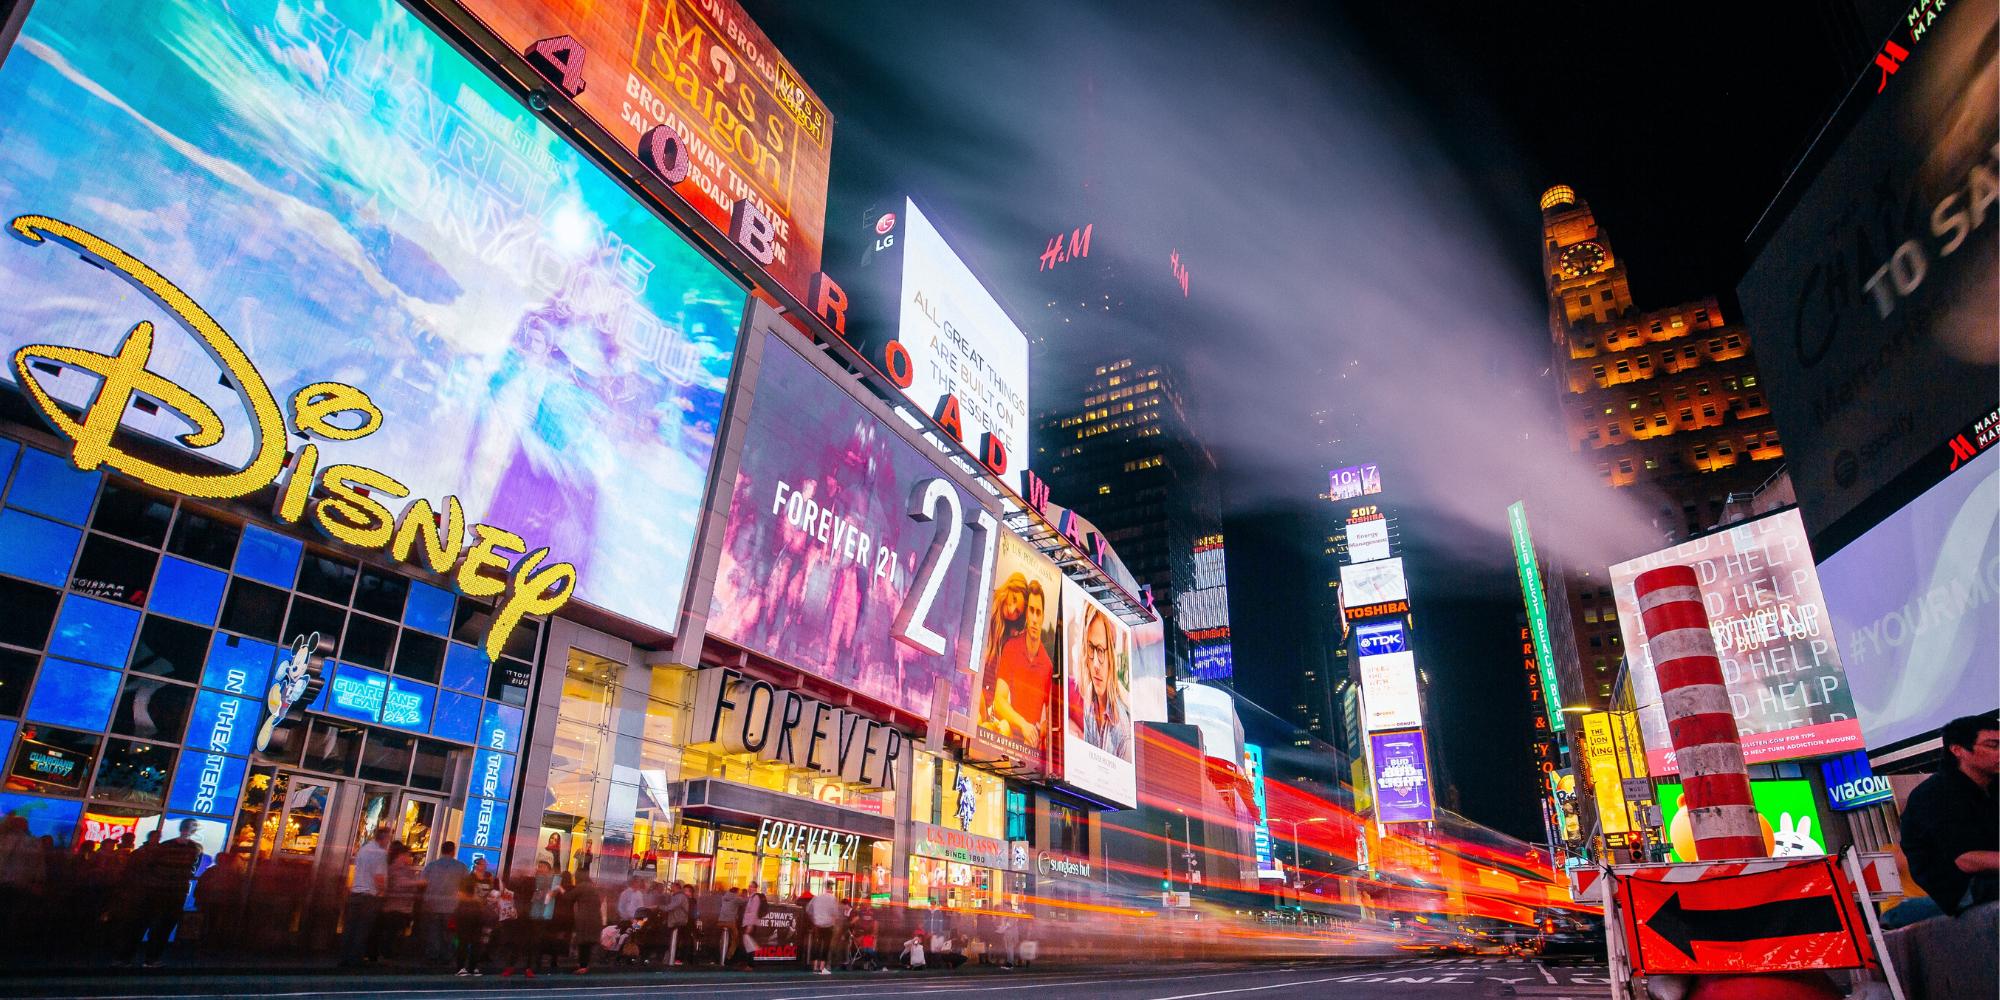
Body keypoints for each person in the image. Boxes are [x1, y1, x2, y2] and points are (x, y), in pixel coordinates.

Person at [1900, 711, 1999, 916]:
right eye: (1992, 745)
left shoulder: (1992, 785)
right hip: (1963, 889)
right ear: (1958, 750)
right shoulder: (1935, 794)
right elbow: (1966, 859)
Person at [127, 818, 203, 967]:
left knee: (146, 923)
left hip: (161, 889)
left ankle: (130, 957)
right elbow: (191, 868)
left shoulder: (168, 847)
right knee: (159, 926)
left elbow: (150, 866)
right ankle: (149, 958)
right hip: (170, 891)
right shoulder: (192, 848)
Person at [1070, 605, 1131, 757]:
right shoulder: (1088, 703)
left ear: (1111, 655)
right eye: (1091, 648)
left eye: (1101, 650)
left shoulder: (1123, 731)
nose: (1096, 664)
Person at [341, 825, 393, 966]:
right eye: (388, 838)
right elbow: (379, 877)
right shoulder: (380, 853)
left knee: (351, 926)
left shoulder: (363, 850)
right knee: (363, 929)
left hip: (356, 892)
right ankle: (355, 959)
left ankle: (344, 956)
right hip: (369, 895)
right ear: (384, 838)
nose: (389, 842)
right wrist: (384, 891)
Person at [0, 815, 45, 955]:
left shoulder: (5, 840)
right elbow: (39, 866)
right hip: (22, 884)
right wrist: (38, 882)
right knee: (14, 915)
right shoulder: (33, 842)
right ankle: (10, 945)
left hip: (8, 882)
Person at [420, 843, 469, 964]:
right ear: (453, 851)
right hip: (452, 905)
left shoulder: (431, 866)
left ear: (441, 851)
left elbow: (422, 883)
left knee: (433, 930)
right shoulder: (461, 867)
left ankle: (433, 954)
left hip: (432, 903)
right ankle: (447, 955)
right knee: (449, 932)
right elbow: (467, 886)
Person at [374, 843, 423, 960]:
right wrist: (418, 883)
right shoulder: (394, 869)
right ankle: (386, 954)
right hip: (395, 907)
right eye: (408, 855)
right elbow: (398, 883)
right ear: (401, 855)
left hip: (402, 907)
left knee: (396, 932)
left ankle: (389, 953)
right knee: (392, 932)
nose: (409, 858)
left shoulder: (404, 869)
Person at [191, 850, 246, 954]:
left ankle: (205, 943)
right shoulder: (232, 874)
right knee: (217, 923)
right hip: (222, 902)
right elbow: (236, 889)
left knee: (208, 922)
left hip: (211, 901)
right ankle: (215, 944)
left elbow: (201, 885)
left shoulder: (211, 871)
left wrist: (198, 898)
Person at [453, 859, 495, 976]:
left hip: (480, 913)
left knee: (477, 941)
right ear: (476, 865)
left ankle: (472, 966)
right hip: (466, 912)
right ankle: (460, 966)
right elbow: (460, 895)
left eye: (485, 864)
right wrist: (473, 899)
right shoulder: (468, 879)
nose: (484, 867)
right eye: (482, 864)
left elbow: (490, 894)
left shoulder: (488, 880)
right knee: (464, 940)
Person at [569, 872, 604, 973]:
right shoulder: (593, 888)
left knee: (583, 943)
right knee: (588, 944)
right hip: (595, 919)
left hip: (585, 919)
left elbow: (569, 897)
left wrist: (560, 889)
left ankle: (582, 966)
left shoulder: (582, 886)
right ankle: (585, 965)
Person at [805, 886, 841, 974]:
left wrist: (814, 919)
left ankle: (815, 967)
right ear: (831, 889)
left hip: (817, 925)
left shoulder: (816, 898)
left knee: (816, 945)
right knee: (826, 946)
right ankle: (822, 968)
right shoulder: (833, 899)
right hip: (828, 925)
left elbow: (808, 910)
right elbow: (836, 913)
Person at [662, 880, 692, 965]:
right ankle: (672, 959)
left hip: (677, 922)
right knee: (675, 940)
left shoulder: (679, 897)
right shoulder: (676, 896)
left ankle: (673, 959)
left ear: (676, 887)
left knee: (675, 941)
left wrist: (659, 907)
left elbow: (670, 907)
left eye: (673, 885)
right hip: (677, 922)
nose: (671, 887)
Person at [737, 882, 764, 967]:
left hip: (750, 924)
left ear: (755, 888)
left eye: (751, 887)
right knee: (747, 943)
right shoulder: (750, 898)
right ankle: (747, 963)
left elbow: (754, 912)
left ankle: (749, 964)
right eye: (749, 886)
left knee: (749, 944)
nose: (749, 888)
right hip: (747, 923)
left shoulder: (755, 898)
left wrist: (750, 925)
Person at [714, 887, 742, 966]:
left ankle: (718, 955)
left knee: (721, 938)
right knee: (736, 939)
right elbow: (747, 901)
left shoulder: (723, 897)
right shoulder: (736, 898)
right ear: (736, 892)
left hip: (720, 922)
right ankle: (728, 957)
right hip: (730, 922)